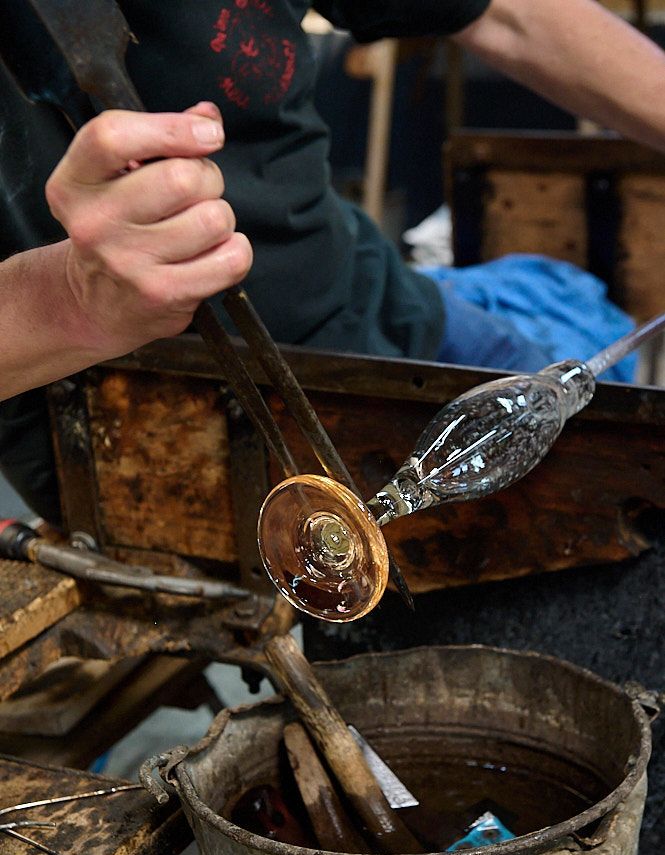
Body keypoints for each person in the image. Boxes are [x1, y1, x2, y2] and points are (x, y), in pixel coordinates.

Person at [2, 0, 665, 521]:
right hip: (142, 433)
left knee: (607, 421)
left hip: (373, 297)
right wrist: (66, 300)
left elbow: (504, 11)